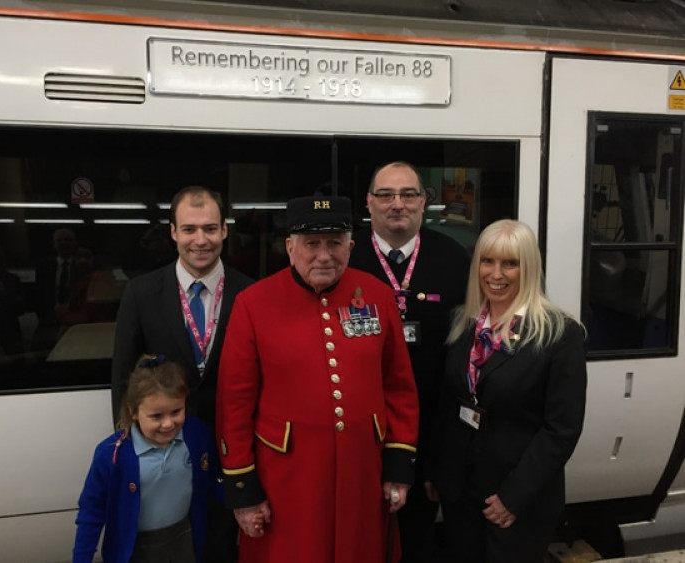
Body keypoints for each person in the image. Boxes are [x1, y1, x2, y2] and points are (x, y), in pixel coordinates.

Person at [216, 195, 419, 563]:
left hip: (363, 475)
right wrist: (243, 491)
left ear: (351, 246)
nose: (324, 255)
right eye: (312, 244)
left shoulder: (376, 296)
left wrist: (399, 467)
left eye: (334, 243)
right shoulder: (253, 304)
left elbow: (398, 387)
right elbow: (234, 404)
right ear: (290, 247)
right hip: (287, 480)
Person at [424, 219, 587, 562]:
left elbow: (561, 429)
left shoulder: (559, 334)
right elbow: (449, 403)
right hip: (461, 489)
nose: (496, 273)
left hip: (516, 496)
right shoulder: (464, 323)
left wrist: (513, 497)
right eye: (488, 261)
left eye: (509, 263)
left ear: (528, 268)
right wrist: (439, 471)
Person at [112, 185, 253, 562]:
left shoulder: (252, 294)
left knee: (223, 544)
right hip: (165, 446)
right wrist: (127, 450)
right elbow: (123, 377)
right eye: (189, 229)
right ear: (173, 232)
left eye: (210, 228)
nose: (200, 240)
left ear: (225, 229)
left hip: (233, 448)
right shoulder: (142, 293)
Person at [349, 161, 471, 562]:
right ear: (369, 203)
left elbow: (464, 363)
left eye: (407, 194)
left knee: (416, 542)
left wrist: (441, 459)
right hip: (357, 436)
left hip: (428, 435)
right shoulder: (344, 258)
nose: (396, 204)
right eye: (385, 194)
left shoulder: (454, 259)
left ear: (423, 202)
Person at [73, 354, 221, 563]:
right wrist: (81, 558)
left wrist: (245, 504)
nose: (168, 423)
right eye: (156, 416)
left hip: (186, 541)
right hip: (135, 549)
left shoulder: (197, 435)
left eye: (176, 411)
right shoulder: (111, 455)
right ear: (133, 412)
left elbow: (216, 479)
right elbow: (91, 513)